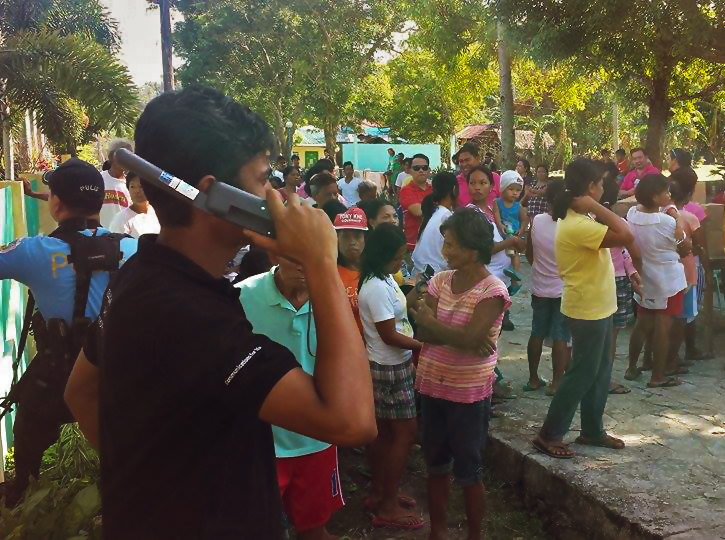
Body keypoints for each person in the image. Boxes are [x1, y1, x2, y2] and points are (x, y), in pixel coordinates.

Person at [63, 85, 376, 539]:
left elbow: (80, 394)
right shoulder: (187, 315)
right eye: (262, 179)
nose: (275, 194)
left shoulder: (144, 277)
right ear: (215, 195)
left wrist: (149, 489)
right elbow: (352, 421)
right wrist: (322, 262)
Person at [2, 158, 137, 505]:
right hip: (121, 375)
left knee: (29, 427)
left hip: (60, 374)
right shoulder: (133, 248)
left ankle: (22, 492)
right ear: (99, 203)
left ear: (56, 203)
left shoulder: (34, 251)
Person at [410, 208, 511, 540]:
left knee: (470, 470)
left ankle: (474, 534)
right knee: (435, 465)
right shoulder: (440, 280)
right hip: (432, 386)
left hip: (468, 395)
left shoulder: (493, 290)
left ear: (472, 250)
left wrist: (431, 322)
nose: (444, 252)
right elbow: (426, 336)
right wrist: (463, 338)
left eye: (451, 245)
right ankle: (437, 531)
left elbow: (436, 329)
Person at [532, 158, 639, 459]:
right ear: (591, 187)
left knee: (600, 370)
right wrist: (596, 205)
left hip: (600, 305)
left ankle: (592, 430)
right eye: (600, 184)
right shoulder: (578, 224)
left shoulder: (581, 219)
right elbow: (627, 236)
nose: (604, 187)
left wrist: (590, 204)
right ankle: (548, 435)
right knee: (582, 373)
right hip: (587, 309)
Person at [238, 256, 344, 540]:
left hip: (317, 438)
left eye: (308, 254)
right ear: (274, 254)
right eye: (292, 255)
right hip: (261, 443)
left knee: (314, 526)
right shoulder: (242, 296)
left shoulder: (335, 299)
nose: (302, 264)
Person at [358, 223, 423, 530]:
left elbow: (397, 315)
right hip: (389, 365)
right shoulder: (373, 287)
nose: (401, 261)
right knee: (405, 433)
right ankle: (388, 504)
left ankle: (381, 491)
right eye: (398, 256)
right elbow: (389, 335)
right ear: (383, 255)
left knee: (385, 434)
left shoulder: (384, 278)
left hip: (391, 363)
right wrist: (424, 346)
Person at [524, 180, 571, 396]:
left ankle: (533, 378)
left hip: (540, 287)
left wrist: (539, 267)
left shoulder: (537, 221)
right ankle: (556, 382)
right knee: (561, 336)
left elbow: (529, 253)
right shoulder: (570, 225)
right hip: (563, 289)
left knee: (537, 332)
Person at [466, 165, 525, 333]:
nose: (477, 187)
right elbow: (484, 249)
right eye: (472, 183)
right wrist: (512, 241)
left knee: (493, 334)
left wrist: (518, 241)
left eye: (483, 182)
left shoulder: (492, 211)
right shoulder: (470, 214)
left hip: (498, 283)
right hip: (483, 285)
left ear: (492, 187)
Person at [666, 149, 711, 360]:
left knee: (670, 312)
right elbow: (702, 244)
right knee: (689, 311)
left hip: (667, 267)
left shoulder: (663, 210)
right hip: (690, 269)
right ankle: (688, 350)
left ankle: (660, 355)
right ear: (692, 190)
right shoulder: (696, 212)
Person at [665, 176, 705, 376]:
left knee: (664, 316)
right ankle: (674, 358)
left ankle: (658, 357)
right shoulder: (689, 218)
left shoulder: (657, 216)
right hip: (687, 271)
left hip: (664, 271)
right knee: (684, 316)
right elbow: (697, 245)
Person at [412, 172, 459, 275]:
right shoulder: (446, 216)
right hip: (433, 277)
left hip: (419, 271)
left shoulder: (434, 211)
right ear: (454, 190)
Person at [493, 170, 528, 292]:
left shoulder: (519, 207)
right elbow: (497, 217)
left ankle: (515, 278)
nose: (515, 193)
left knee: (514, 254)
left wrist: (521, 231)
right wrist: (500, 225)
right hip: (503, 234)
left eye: (518, 191)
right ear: (503, 188)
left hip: (514, 235)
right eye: (511, 189)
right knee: (508, 253)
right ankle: (512, 280)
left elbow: (524, 220)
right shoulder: (497, 202)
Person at [335, 207, 367, 334]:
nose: (352, 242)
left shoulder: (376, 271)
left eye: (358, 236)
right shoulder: (330, 275)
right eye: (346, 237)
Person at [108, 172, 161, 238]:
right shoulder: (121, 219)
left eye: (141, 186)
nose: (137, 191)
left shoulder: (158, 213)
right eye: (132, 187)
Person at [399, 153, 433, 252]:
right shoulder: (406, 190)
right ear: (410, 171)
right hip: (413, 246)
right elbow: (419, 212)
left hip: (432, 245)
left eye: (424, 167)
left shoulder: (434, 190)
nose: (421, 170)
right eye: (417, 168)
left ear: (429, 170)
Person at [99, 138, 134, 228]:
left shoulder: (131, 185)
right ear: (112, 156)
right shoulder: (99, 179)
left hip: (121, 237)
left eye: (128, 156)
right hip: (101, 236)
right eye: (121, 155)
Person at [456, 142, 501, 208]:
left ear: (478, 158)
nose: (464, 164)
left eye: (467, 160)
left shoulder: (495, 178)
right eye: (461, 161)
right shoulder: (456, 182)